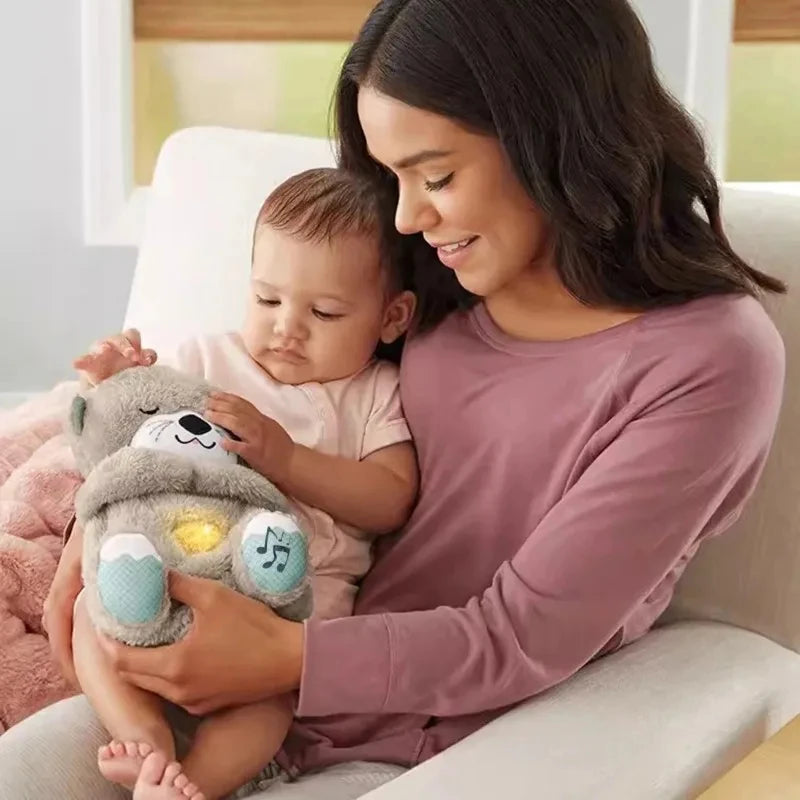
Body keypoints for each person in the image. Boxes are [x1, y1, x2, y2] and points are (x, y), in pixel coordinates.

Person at [0, 0, 786, 798]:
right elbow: (250, 399)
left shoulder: (708, 361)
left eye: (436, 176)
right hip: (224, 662)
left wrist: (282, 659)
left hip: (406, 746)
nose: (408, 215)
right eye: (393, 177)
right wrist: (100, 529)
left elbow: (520, 633)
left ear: (554, 133)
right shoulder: (433, 276)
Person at [62, 167, 418, 800]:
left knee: (268, 708)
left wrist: (287, 459)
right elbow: (130, 440)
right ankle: (146, 740)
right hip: (166, 573)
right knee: (90, 613)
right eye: (267, 300)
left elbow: (391, 498)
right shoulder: (208, 360)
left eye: (324, 312)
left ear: (392, 317)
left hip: (275, 615)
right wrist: (114, 381)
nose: (287, 327)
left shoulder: (372, 394)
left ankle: (189, 787)